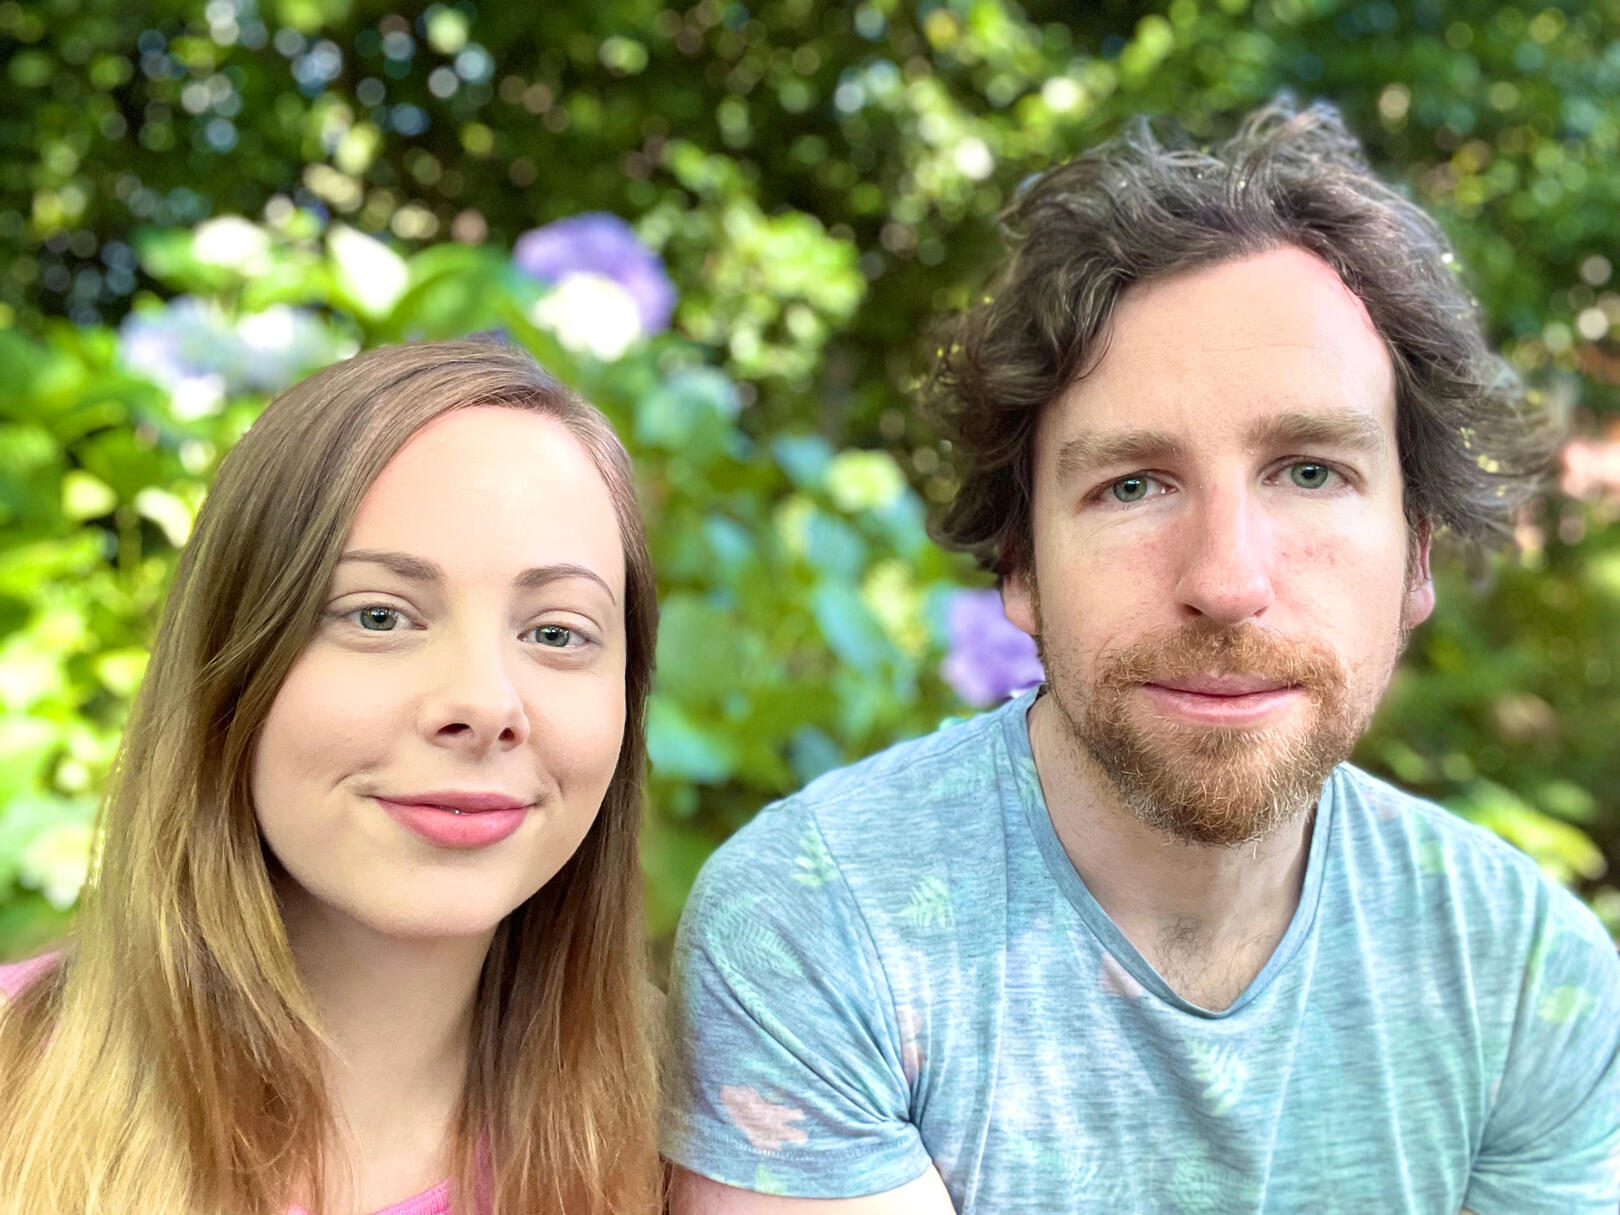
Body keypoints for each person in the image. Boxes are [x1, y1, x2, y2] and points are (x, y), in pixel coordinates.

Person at [660, 100, 1620, 1214]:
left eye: (1310, 472)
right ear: (1019, 564)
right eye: (1133, 485)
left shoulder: (1525, 972)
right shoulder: (822, 922)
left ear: (1416, 553)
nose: (1227, 578)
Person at [0, 341, 663, 1214]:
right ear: (228, 666)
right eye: (379, 615)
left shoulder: (726, 1142)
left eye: (556, 632)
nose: (484, 703)